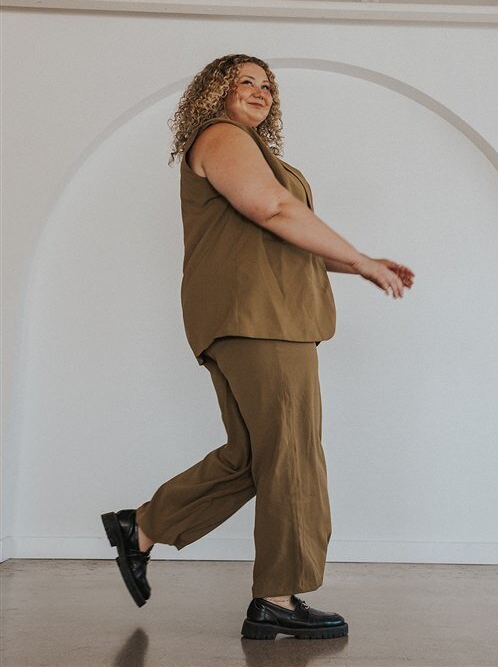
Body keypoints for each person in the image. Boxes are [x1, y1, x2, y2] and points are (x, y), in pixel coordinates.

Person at [101, 53, 415, 640]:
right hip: (260, 318)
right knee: (292, 453)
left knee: (252, 456)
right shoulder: (222, 136)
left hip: (255, 315)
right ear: (214, 91)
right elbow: (273, 209)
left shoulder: (250, 149)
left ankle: (139, 528)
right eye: (244, 81)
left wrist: (356, 264)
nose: (259, 90)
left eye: (267, 85)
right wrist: (359, 258)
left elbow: (282, 233)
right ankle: (275, 599)